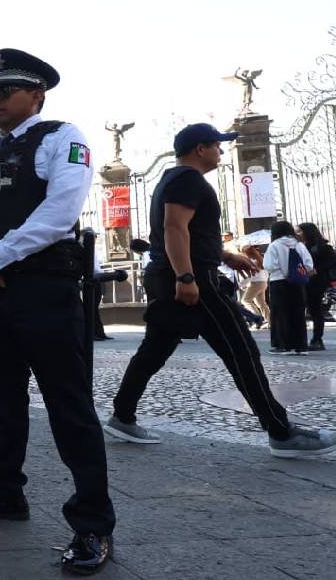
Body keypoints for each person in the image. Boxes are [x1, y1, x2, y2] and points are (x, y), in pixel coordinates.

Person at [0, 49, 115, 575]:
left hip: (44, 288)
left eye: (7, 91)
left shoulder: (63, 138)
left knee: (69, 406)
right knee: (3, 401)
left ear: (36, 95)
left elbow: (61, 211)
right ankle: (4, 491)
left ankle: (92, 523)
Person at [103, 123, 335, 459]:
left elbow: (189, 233)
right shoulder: (188, 180)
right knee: (241, 351)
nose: (221, 152)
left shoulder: (173, 180)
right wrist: (186, 277)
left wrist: (226, 254)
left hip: (174, 274)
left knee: (155, 349)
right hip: (194, 280)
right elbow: (173, 227)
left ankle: (122, 416)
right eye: (217, 146)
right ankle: (281, 433)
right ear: (200, 148)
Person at [264, 220, 313, 355]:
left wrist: (282, 270)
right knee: (298, 313)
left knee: (280, 314)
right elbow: (309, 265)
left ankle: (283, 345)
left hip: (278, 282)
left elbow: (269, 265)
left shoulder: (274, 245)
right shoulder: (299, 245)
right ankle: (301, 346)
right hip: (297, 282)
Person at [297, 222, 336, 350]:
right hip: (304, 281)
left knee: (315, 310)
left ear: (307, 232)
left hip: (317, 282)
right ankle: (306, 339)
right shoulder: (301, 246)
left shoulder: (322, 247)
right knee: (308, 310)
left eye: (300, 231)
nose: (297, 234)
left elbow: (332, 261)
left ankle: (317, 339)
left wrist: (316, 269)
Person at [240, 243, 269, 327]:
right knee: (261, 303)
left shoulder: (251, 261)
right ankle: (269, 320)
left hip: (256, 283)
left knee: (245, 300)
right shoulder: (261, 259)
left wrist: (241, 285)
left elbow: (249, 276)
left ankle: (259, 319)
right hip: (263, 282)